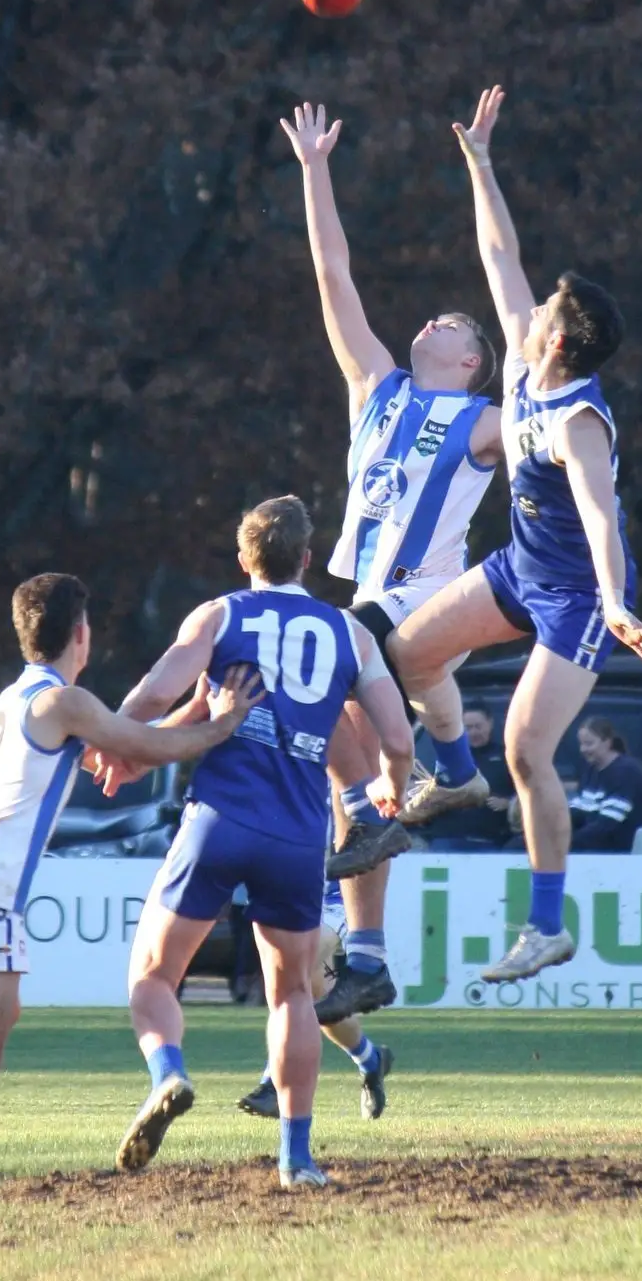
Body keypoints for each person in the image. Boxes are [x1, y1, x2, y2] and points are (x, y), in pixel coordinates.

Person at [0, 573, 263, 1199]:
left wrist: (196, 708)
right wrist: (221, 724)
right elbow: (141, 744)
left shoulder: (23, 698)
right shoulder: (65, 702)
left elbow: (118, 753)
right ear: (80, 635)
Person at [389, 86, 642, 981]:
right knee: (408, 654)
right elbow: (498, 249)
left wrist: (617, 599)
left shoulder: (581, 417)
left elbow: (599, 512)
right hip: (518, 568)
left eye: (547, 305)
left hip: (578, 598)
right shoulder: (520, 356)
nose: (533, 302)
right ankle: (455, 775)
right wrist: (481, 163)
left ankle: (547, 921)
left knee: (528, 747)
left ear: (559, 339)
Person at [103, 497, 413, 1189]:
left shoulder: (221, 614)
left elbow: (154, 695)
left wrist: (116, 745)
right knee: (290, 997)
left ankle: (169, 1074)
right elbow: (396, 737)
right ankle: (296, 1159)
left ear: (245, 559)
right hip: (298, 833)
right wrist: (388, 789)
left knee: (152, 976)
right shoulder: (348, 633)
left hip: (221, 816)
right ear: (307, 558)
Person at [277, 102, 505, 1026]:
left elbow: (555, 439)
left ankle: (436, 774)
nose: (431, 321)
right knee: (361, 785)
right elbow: (332, 275)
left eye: (451, 321)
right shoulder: (377, 389)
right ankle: (367, 956)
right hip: (388, 610)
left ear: (474, 360)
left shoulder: (486, 423)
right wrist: (314, 168)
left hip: (418, 604)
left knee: (332, 672)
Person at [236, 877, 393, 1120]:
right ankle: (372, 1060)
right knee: (319, 1002)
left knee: (292, 973)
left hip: (336, 899)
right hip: (289, 895)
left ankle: (274, 1084)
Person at [420, 702, 517, 849]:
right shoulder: (446, 757)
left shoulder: (507, 757)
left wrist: (509, 803)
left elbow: (528, 793)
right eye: (468, 728)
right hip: (447, 838)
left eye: (478, 726)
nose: (473, 733)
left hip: (491, 841)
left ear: (490, 724)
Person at [568, 717, 642, 853]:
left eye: (589, 744)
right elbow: (577, 812)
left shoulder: (627, 771)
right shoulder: (589, 770)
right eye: (581, 744)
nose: (583, 749)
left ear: (607, 742)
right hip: (597, 849)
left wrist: (565, 843)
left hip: (626, 853)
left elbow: (607, 825)